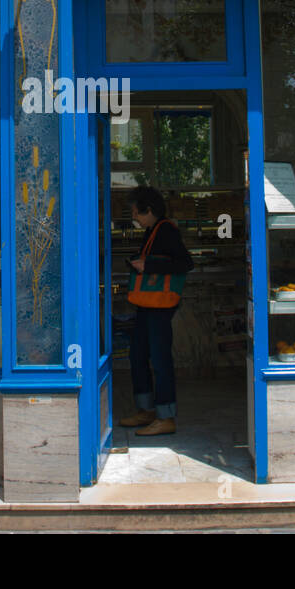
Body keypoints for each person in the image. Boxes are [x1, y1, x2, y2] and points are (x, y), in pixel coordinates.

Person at [118, 185, 193, 436]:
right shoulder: (152, 230)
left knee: (159, 359)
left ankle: (165, 416)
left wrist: (147, 264)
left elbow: (185, 263)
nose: (134, 218)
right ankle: (146, 409)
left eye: (136, 213)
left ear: (148, 210)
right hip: (147, 304)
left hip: (160, 305)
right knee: (137, 355)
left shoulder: (166, 230)